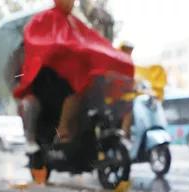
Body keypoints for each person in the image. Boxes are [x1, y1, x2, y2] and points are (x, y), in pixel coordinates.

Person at [12, 0, 134, 144]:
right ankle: (62, 132)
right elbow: (42, 44)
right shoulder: (44, 19)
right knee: (72, 94)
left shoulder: (74, 22)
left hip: (72, 77)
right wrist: (66, 49)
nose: (71, 3)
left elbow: (92, 43)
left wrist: (112, 56)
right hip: (49, 77)